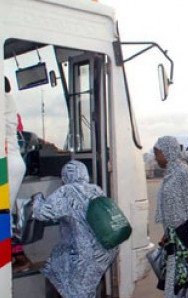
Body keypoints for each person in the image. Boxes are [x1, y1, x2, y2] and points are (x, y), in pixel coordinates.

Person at [33, 160, 118, 297]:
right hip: (104, 250)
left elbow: (41, 213)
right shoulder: (96, 189)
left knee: (76, 289)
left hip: (84, 252)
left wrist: (37, 198)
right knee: (68, 275)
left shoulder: (67, 191)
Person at [154, 136, 188, 297]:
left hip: (185, 241)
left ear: (168, 152)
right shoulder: (170, 174)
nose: (156, 157)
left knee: (186, 287)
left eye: (157, 153)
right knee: (176, 287)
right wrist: (166, 233)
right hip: (173, 240)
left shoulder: (184, 173)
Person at [5, 77, 30, 273]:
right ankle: (17, 255)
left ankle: (5, 262)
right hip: (14, 162)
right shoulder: (11, 104)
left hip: (4, 163)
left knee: (3, 215)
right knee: (8, 213)